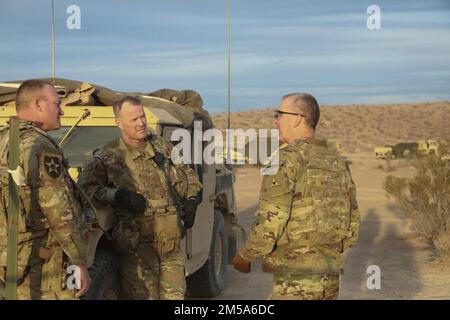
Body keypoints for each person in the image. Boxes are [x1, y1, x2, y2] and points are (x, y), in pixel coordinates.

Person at [232, 93, 360, 300]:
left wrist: (244, 256)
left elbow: (271, 220)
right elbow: (352, 219)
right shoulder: (335, 160)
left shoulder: (286, 159)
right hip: (329, 273)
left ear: (297, 118)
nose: (275, 120)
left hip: (296, 277)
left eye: (279, 114)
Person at [77, 96, 202, 300]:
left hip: (170, 244)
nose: (141, 123)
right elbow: (84, 190)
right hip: (137, 250)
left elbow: (189, 175)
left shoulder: (163, 147)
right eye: (134, 119)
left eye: (142, 117)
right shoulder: (108, 156)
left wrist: (192, 199)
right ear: (119, 123)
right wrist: (117, 194)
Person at [0, 79, 90, 299]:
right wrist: (80, 262)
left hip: (10, 260)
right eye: (57, 104)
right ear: (39, 105)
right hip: (45, 266)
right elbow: (60, 212)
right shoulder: (39, 146)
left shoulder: (4, 139)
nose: (62, 111)